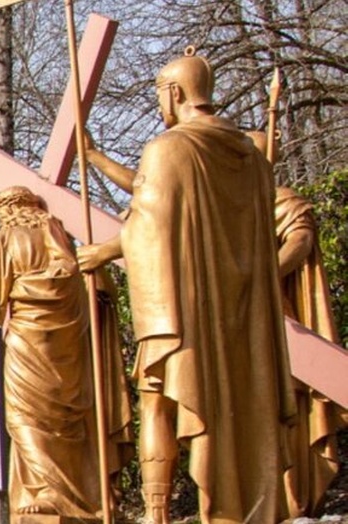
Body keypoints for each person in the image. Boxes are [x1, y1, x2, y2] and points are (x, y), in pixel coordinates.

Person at [118, 51, 296, 523]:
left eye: (160, 93)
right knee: (243, 406)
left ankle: (158, 514)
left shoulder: (168, 150)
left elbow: (149, 228)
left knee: (158, 397)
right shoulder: (254, 162)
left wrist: (105, 250)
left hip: (186, 313)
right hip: (246, 317)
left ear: (173, 92)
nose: (161, 104)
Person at [0, 185, 132, 519]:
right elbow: (79, 284)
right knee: (65, 421)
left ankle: (48, 490)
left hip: (27, 342)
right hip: (70, 345)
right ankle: (76, 494)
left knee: (23, 417)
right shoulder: (61, 239)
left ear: (8, 211)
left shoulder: (4, 240)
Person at [246, 131, 346, 518]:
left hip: (278, 322)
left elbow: (300, 240)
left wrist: (262, 277)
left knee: (286, 410)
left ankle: (292, 496)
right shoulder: (232, 206)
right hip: (240, 324)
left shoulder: (280, 199)